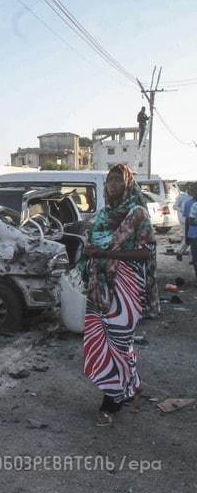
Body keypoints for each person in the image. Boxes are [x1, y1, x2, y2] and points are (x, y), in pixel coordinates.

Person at [81, 164, 155, 426]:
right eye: (110, 180)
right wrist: (90, 253)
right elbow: (93, 243)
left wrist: (107, 254)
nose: (113, 184)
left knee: (118, 344)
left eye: (117, 179)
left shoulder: (137, 213)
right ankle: (131, 385)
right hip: (99, 287)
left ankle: (111, 403)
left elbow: (146, 253)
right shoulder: (103, 215)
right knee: (102, 341)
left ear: (127, 183)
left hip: (126, 285)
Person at [184, 184, 197, 279]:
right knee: (195, 259)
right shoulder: (188, 204)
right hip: (193, 235)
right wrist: (186, 236)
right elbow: (187, 222)